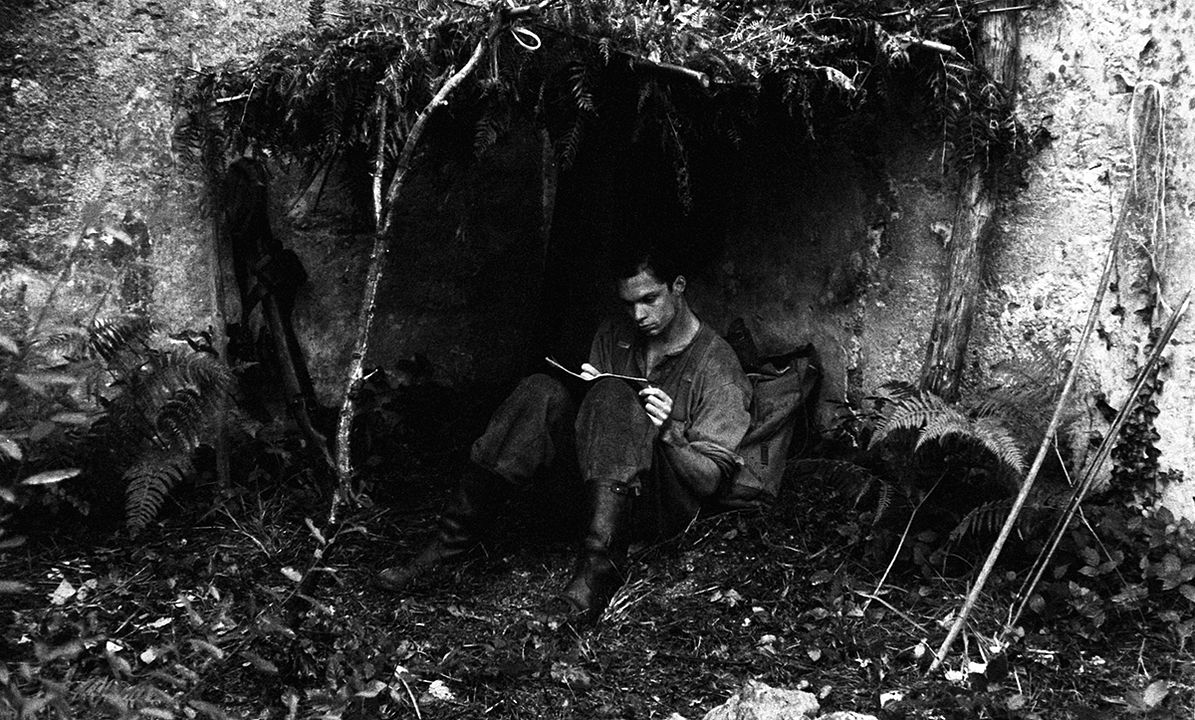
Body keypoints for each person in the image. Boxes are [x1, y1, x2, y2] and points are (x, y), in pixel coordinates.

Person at [375, 244, 752, 623]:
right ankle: (449, 543)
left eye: (650, 299)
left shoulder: (716, 363)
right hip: (595, 495)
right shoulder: (615, 334)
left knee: (613, 395)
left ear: (679, 286)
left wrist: (668, 431)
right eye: (628, 303)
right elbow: (598, 430)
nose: (638, 315)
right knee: (540, 390)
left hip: (653, 508)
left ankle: (595, 576)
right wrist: (586, 394)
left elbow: (710, 483)